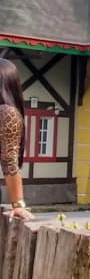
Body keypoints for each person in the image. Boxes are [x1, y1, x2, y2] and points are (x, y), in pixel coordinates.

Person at [0, 58, 32, 220]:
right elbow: (9, 159)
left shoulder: (6, 113)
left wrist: (17, 204)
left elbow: (9, 159)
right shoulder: (6, 113)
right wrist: (17, 203)